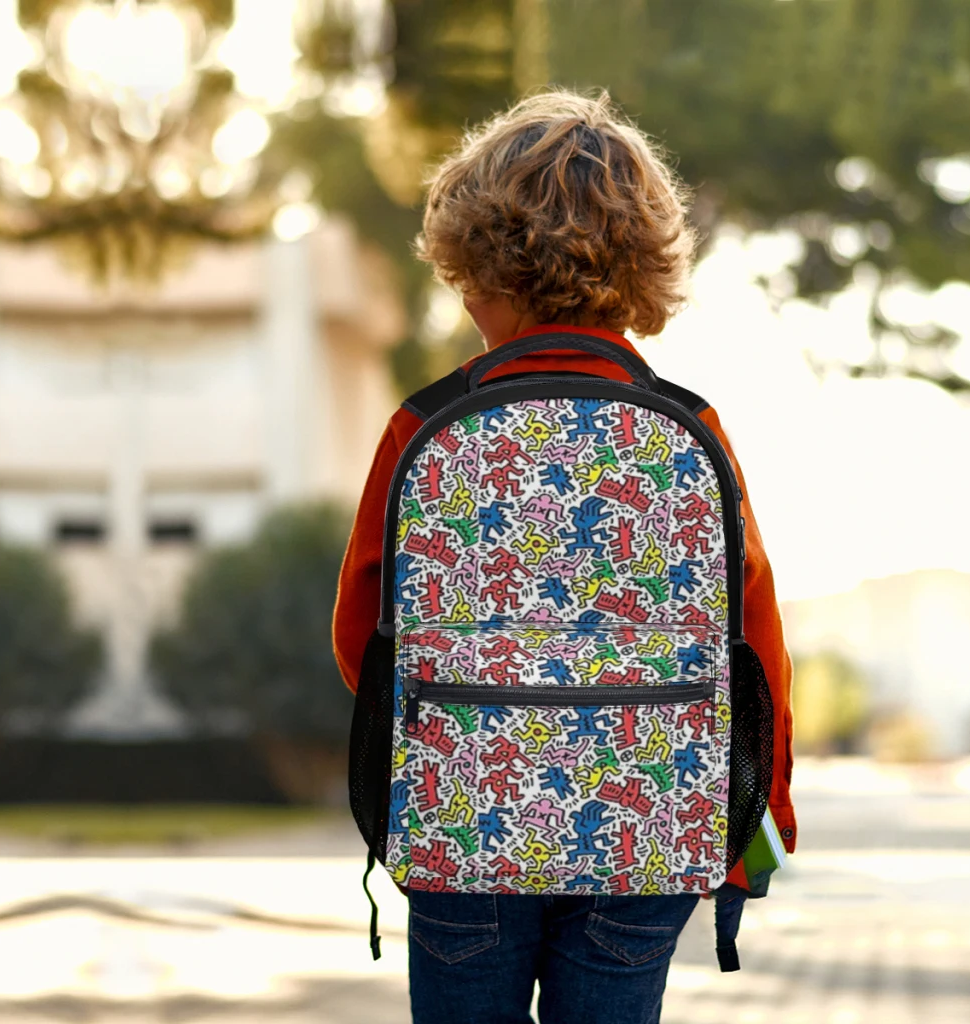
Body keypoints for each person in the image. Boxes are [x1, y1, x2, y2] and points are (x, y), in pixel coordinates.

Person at [334, 89, 795, 1024]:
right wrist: (764, 810)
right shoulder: (690, 429)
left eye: (465, 278)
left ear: (480, 269)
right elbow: (753, 639)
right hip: (646, 828)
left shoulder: (424, 427)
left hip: (466, 826)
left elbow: (361, 638)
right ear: (643, 269)